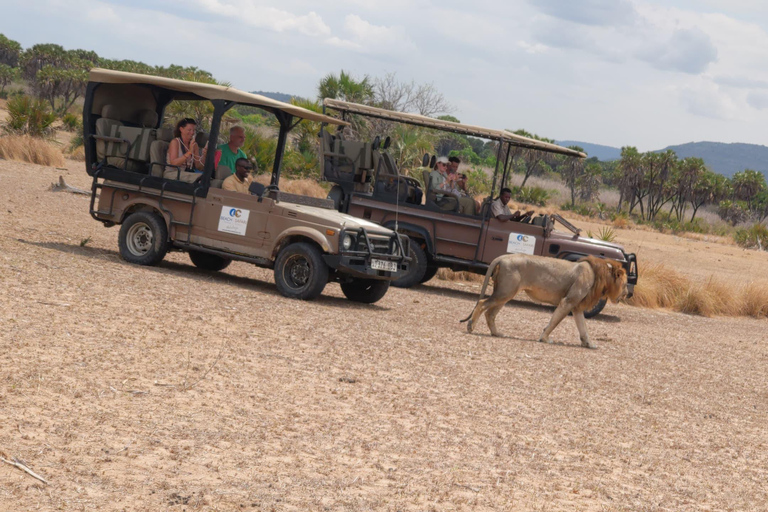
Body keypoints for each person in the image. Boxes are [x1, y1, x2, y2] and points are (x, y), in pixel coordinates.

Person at [166, 118, 206, 183]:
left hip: (187, 174)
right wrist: (189, 152)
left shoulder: (194, 145)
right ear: (181, 129)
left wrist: (204, 155)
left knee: (206, 178)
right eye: (189, 130)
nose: (192, 133)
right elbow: (174, 163)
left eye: (194, 130)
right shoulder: (175, 142)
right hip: (173, 173)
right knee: (200, 178)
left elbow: (199, 167)